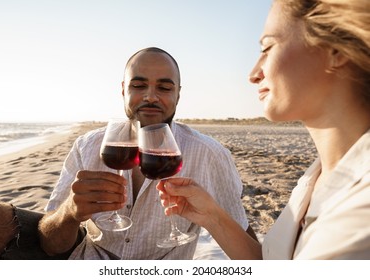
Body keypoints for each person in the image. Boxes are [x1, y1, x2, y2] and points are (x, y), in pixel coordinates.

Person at [157, 0, 370, 260]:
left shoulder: (361, 210)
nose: (254, 73)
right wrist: (212, 215)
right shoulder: (316, 177)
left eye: (267, 48)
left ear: (335, 49)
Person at [37, 47, 256, 260]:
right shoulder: (88, 146)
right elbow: (50, 244)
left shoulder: (209, 154)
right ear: (124, 90)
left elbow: (248, 248)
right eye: (139, 85)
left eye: (164, 88)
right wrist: (69, 211)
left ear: (178, 94)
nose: (150, 97)